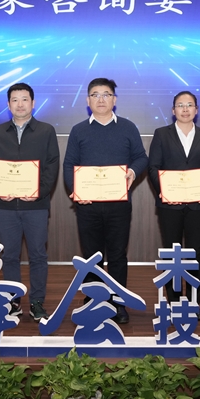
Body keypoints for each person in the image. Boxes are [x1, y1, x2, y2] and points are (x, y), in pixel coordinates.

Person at [63, 78, 149, 324]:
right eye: (95, 94)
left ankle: (118, 302)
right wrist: (76, 190)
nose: (101, 99)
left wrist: (132, 171)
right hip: (87, 205)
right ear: (88, 100)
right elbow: (69, 164)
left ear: (114, 99)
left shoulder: (128, 127)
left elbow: (141, 157)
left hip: (118, 205)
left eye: (106, 94)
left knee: (118, 254)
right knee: (92, 256)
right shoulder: (79, 130)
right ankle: (94, 300)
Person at [0, 83, 59, 322]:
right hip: (6, 206)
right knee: (9, 256)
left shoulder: (46, 131)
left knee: (38, 255)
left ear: (33, 103)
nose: (20, 104)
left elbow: (52, 165)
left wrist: (39, 192)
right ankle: (13, 301)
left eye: (24, 99)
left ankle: (37, 302)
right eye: (14, 100)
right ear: (8, 105)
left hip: (36, 206)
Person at [148, 91, 200, 320]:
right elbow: (153, 168)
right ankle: (174, 301)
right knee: (172, 253)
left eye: (190, 105)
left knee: (196, 253)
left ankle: (194, 301)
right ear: (173, 110)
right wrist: (166, 192)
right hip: (170, 205)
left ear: (196, 110)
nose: (185, 109)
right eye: (180, 105)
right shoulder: (161, 134)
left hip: (198, 205)